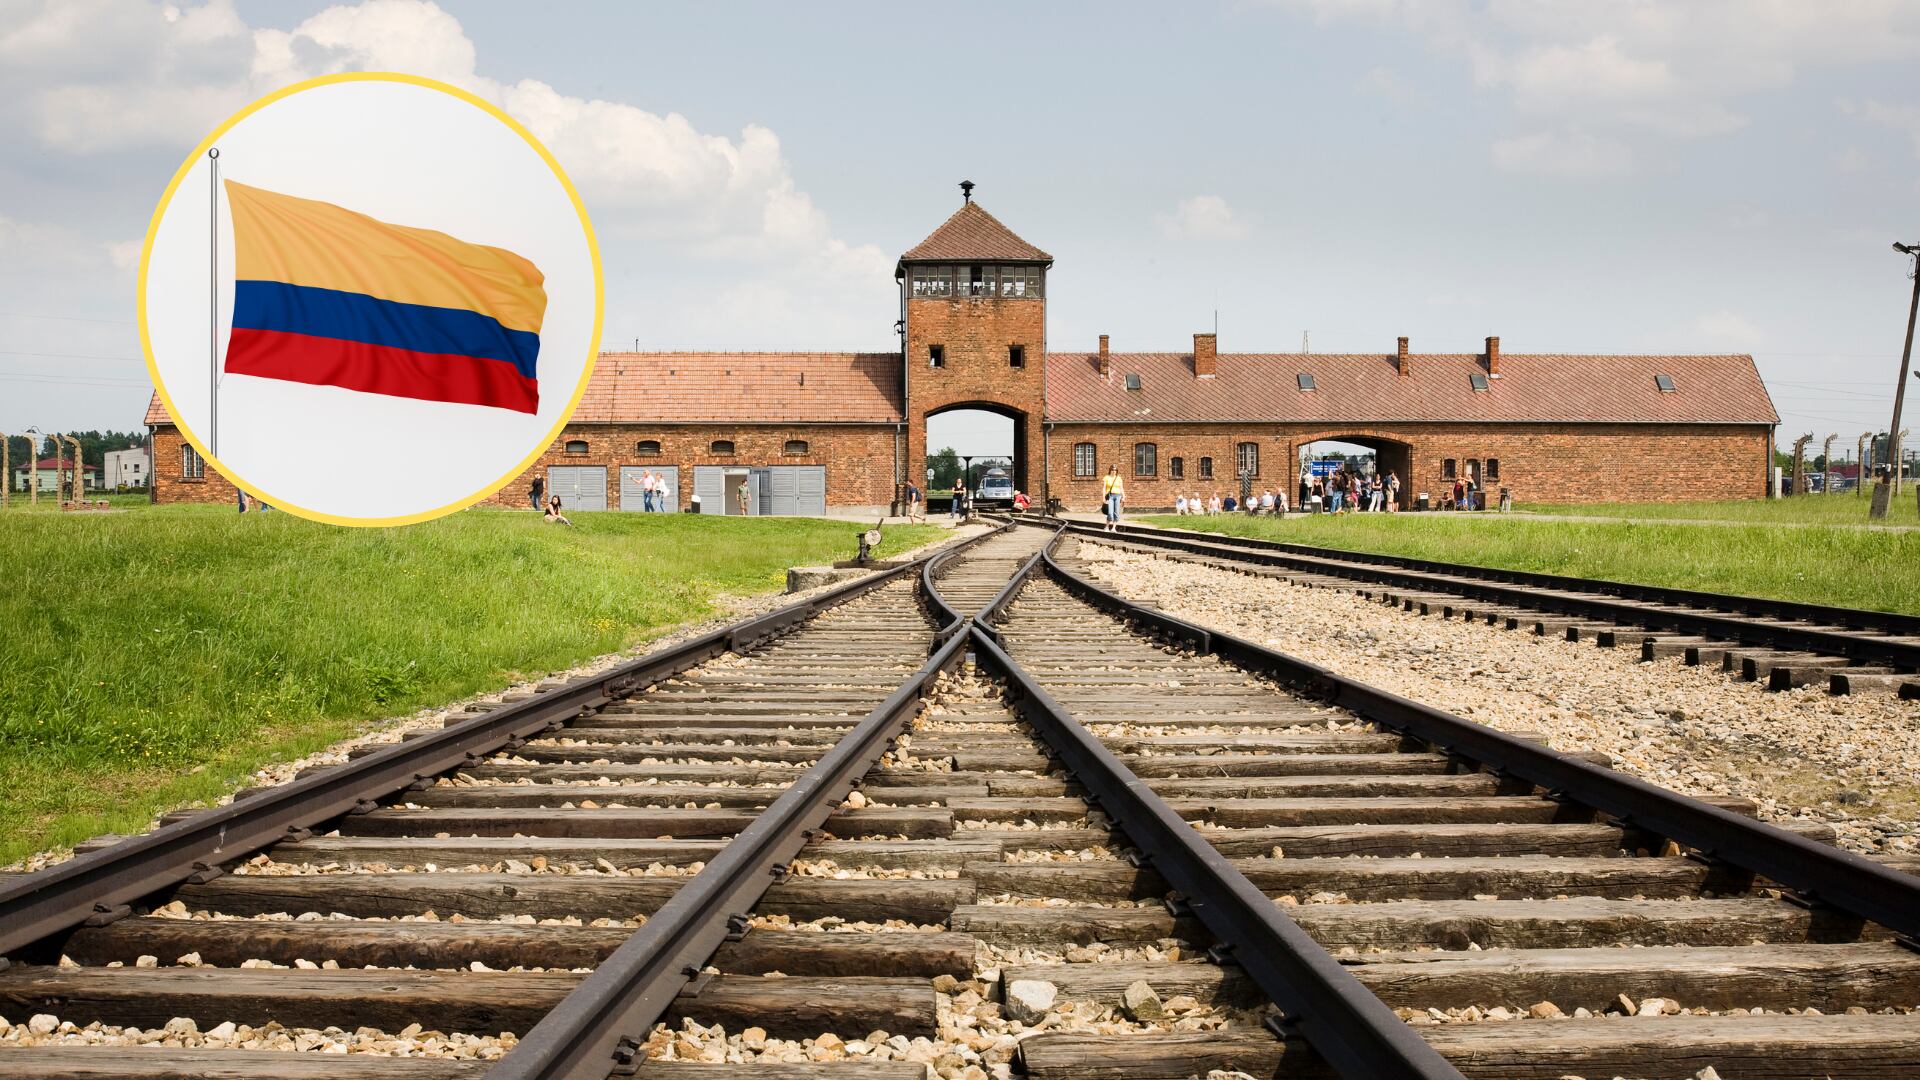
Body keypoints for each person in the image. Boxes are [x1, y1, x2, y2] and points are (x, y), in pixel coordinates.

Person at [1100, 465, 1125, 531]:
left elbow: (1121, 488)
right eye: (1112, 470)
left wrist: (1123, 496)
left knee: (1116, 512)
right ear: (1110, 470)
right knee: (1110, 512)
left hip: (1118, 496)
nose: (1114, 471)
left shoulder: (1119, 478)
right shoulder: (1106, 477)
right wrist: (1103, 498)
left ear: (1117, 471)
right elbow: (1104, 488)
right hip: (1110, 496)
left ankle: (1114, 528)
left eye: (1115, 470)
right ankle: (1107, 527)